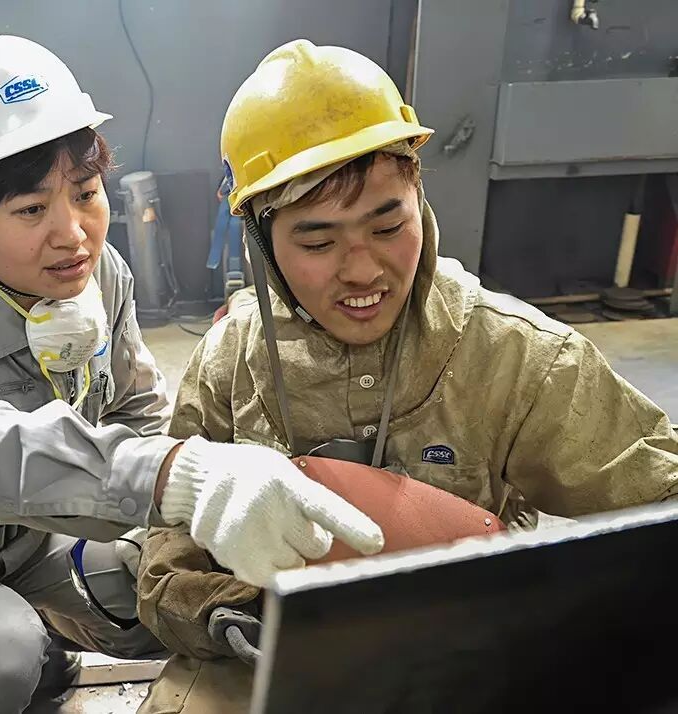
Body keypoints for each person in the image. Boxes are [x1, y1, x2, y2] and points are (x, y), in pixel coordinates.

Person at [0, 29, 384, 714]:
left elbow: (135, 411)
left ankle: (34, 637)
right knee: (1, 657)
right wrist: (174, 476)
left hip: (32, 540)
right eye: (30, 209)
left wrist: (170, 528)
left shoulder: (100, 277)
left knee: (173, 597)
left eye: (85, 191)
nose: (74, 233)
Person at [135, 39, 678, 713]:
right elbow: (169, 552)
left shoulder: (513, 356)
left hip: (465, 660)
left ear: (419, 196)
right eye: (317, 241)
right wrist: (229, 615)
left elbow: (662, 501)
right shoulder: (230, 363)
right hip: (263, 654)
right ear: (260, 241)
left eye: (388, 224)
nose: (363, 270)